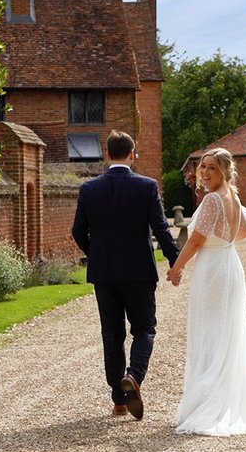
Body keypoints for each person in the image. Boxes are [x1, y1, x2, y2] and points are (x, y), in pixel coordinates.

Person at [72, 131, 180, 420]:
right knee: (144, 329)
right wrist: (174, 261)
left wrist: (96, 254)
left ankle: (119, 401)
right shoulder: (147, 186)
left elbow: (77, 232)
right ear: (132, 155)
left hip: (104, 273)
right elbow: (161, 228)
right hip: (139, 272)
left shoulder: (89, 189)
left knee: (112, 333)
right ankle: (134, 375)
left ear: (108, 154)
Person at [167, 147, 246, 435]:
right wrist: (223, 241)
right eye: (203, 167)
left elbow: (197, 240)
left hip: (214, 268)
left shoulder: (213, 199)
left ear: (224, 170)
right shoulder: (234, 197)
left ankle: (209, 403)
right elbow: (243, 233)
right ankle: (227, 396)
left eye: (212, 167)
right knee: (227, 330)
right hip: (229, 262)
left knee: (211, 330)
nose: (206, 172)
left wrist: (177, 268)